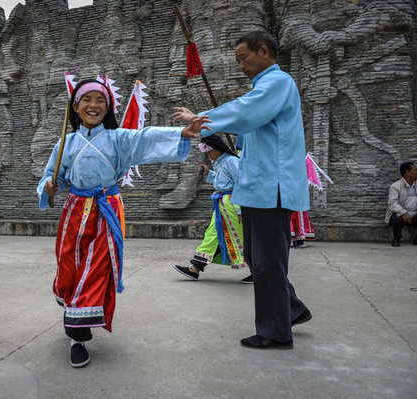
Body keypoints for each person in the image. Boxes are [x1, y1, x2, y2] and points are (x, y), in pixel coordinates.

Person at [37, 79, 208, 368]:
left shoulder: (119, 138)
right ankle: (72, 310)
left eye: (100, 100)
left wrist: (181, 132)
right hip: (75, 211)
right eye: (87, 100)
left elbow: (146, 137)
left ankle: (77, 336)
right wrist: (50, 185)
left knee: (95, 268)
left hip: (106, 209)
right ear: (76, 108)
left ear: (107, 107)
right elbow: (51, 176)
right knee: (70, 268)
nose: (94, 105)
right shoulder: (65, 143)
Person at [172, 31, 312, 350]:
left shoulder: (277, 83)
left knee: (268, 262)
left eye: (243, 58)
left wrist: (202, 119)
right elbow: (248, 121)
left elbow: (247, 111)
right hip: (254, 191)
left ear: (264, 52)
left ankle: (275, 331)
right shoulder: (263, 89)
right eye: (238, 60)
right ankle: (291, 309)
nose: (241, 65)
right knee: (255, 257)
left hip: (271, 190)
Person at [173, 134, 251, 281]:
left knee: (240, 237)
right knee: (213, 235)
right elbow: (221, 180)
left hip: (233, 205)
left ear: (217, 148)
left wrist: (242, 208)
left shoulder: (232, 161)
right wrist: (209, 173)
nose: (208, 154)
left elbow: (241, 183)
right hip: (222, 205)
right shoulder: (221, 162)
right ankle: (195, 268)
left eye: (209, 151)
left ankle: (258, 271)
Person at [385, 161, 417, 247]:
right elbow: (392, 203)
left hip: (415, 215)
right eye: (415, 170)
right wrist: (404, 213)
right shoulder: (395, 186)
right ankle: (396, 238)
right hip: (401, 215)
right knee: (395, 218)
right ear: (407, 172)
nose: (416, 172)